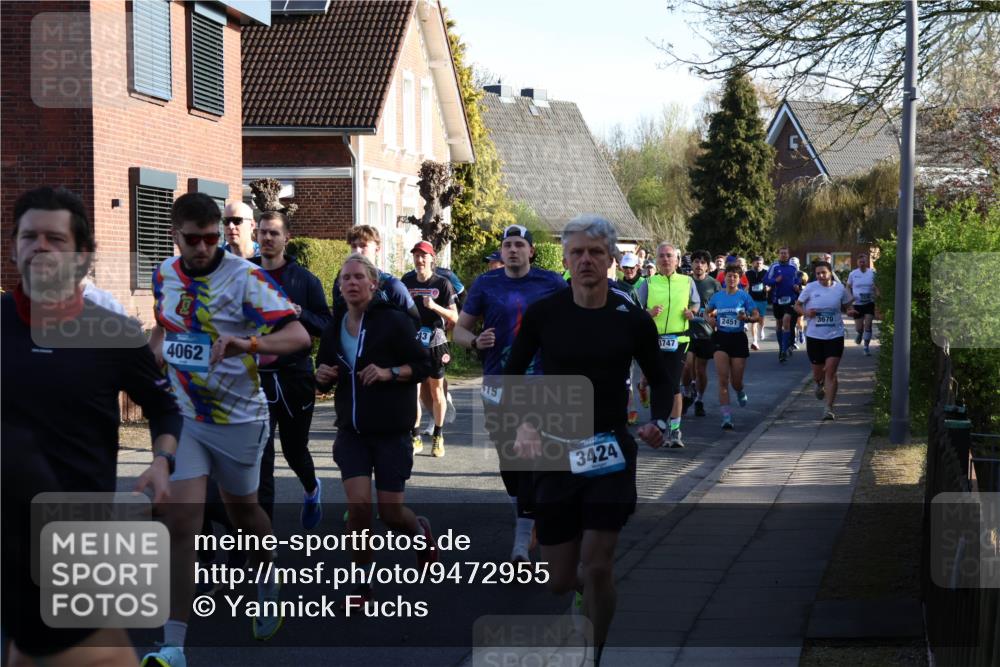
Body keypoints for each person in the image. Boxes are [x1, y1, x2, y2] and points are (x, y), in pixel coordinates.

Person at [2, 186, 181, 667]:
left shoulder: (114, 333)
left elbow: (166, 409)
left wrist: (161, 462)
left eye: (55, 239)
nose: (40, 247)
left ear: (82, 257)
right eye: (29, 236)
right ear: (14, 246)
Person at [143, 194, 311, 667]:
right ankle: (172, 647)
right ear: (175, 236)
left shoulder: (244, 277)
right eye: (191, 239)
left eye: (211, 237)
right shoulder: (164, 275)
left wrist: (247, 342)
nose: (202, 247)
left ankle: (267, 576)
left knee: (243, 516)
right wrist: (152, 352)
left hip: (239, 418)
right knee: (181, 524)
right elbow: (163, 323)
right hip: (186, 417)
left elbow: (298, 337)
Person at [503, 215, 672, 663]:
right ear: (564, 259)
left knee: (598, 565)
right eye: (576, 252)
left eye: (595, 253)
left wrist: (659, 422)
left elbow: (660, 377)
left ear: (612, 260)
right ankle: (579, 591)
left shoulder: (631, 319)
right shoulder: (545, 315)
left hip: (608, 448)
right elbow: (511, 376)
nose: (585, 261)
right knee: (560, 579)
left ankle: (592, 654)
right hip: (557, 450)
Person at [315, 253, 437, 603]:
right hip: (352, 432)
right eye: (345, 278)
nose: (351, 283)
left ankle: (419, 530)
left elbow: (423, 364)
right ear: (339, 286)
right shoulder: (334, 325)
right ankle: (363, 584)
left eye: (358, 277)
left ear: (373, 283)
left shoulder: (394, 321)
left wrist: (389, 373)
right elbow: (324, 374)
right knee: (358, 507)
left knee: (390, 513)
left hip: (391, 431)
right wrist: (321, 377)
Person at [454, 224, 567, 562]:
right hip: (497, 380)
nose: (513, 250)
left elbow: (570, 323)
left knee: (529, 454)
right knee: (508, 459)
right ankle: (526, 512)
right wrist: (475, 341)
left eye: (519, 244)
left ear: (531, 251)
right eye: (507, 245)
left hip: (539, 381)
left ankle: (521, 541)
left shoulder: (552, 283)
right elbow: (460, 329)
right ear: (501, 252)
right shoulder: (487, 284)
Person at [250, 211, 331, 528]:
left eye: (274, 233)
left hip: (295, 375)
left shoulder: (304, 280)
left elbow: (326, 324)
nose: (267, 238)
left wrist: (300, 313)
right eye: (262, 232)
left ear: (286, 239)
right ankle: (261, 536)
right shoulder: (245, 273)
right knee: (262, 454)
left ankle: (312, 489)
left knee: (294, 449)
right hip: (256, 377)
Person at [636, 242, 700, 447]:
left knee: (672, 384)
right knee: (658, 384)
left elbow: (696, 303)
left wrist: (693, 312)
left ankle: (673, 430)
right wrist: (648, 313)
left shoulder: (687, 281)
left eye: (669, 256)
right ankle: (658, 424)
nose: (665, 259)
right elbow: (636, 311)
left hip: (679, 340)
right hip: (654, 340)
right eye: (662, 256)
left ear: (677, 260)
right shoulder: (648, 283)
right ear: (656, 260)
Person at [401, 241, 458, 457]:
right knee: (412, 393)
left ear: (432, 258)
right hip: (412, 343)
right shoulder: (406, 281)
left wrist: (434, 306)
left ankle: (438, 435)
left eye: (424, 256)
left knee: (436, 392)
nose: (419, 259)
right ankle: (415, 436)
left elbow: (455, 317)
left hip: (436, 343)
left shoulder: (442, 284)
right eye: (416, 255)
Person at [795, 261, 853, 421]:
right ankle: (819, 383)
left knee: (831, 370)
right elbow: (797, 306)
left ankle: (828, 408)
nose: (821, 276)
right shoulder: (811, 288)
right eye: (818, 273)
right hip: (814, 336)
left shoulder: (840, 289)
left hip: (835, 335)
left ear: (830, 272)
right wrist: (806, 312)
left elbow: (848, 305)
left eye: (824, 273)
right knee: (818, 373)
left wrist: (850, 310)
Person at [705, 264, 761, 430]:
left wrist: (748, 319)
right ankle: (726, 417)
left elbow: (757, 315)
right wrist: (709, 320)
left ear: (739, 279)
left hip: (738, 339)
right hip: (721, 337)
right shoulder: (717, 297)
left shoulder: (744, 297)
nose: (731, 279)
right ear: (724, 278)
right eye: (728, 276)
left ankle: (739, 390)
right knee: (723, 379)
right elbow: (706, 312)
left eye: (735, 277)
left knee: (736, 381)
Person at [334, 224, 419, 322]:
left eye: (363, 245)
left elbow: (415, 323)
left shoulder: (392, 285)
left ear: (377, 249)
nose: (357, 251)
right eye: (354, 246)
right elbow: (337, 321)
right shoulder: (341, 282)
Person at [681, 250, 721, 417]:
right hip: (687, 330)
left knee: (701, 369)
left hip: (705, 332)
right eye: (696, 261)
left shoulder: (713, 284)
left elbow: (720, 304)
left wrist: (713, 314)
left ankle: (699, 400)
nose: (698, 265)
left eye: (702, 262)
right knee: (687, 366)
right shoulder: (685, 282)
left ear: (707, 266)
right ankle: (687, 392)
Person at [764, 247, 802, 363]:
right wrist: (775, 281)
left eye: (786, 253)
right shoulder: (774, 267)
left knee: (786, 321)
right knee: (779, 323)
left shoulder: (793, 267)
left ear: (789, 255)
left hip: (790, 299)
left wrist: (797, 286)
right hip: (777, 300)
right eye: (782, 253)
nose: (784, 255)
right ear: (778, 254)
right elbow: (765, 280)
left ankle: (784, 350)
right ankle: (781, 348)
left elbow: (797, 280)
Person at [846, 253, 878, 355]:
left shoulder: (872, 273)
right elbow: (848, 287)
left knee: (868, 325)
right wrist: (850, 297)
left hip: (869, 303)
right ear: (857, 263)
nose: (862, 263)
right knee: (859, 328)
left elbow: (877, 286)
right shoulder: (853, 274)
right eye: (860, 262)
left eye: (864, 261)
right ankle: (860, 333)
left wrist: (876, 291)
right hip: (857, 304)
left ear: (867, 262)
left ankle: (866, 347)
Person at [745, 255, 769, 349]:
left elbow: (770, 284)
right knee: (754, 320)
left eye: (760, 263)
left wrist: (768, 288)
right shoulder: (748, 273)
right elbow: (746, 285)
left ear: (763, 264)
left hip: (762, 299)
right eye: (757, 263)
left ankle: (761, 329)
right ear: (753, 263)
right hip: (752, 299)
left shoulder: (766, 273)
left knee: (761, 319)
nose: (758, 264)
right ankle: (755, 341)